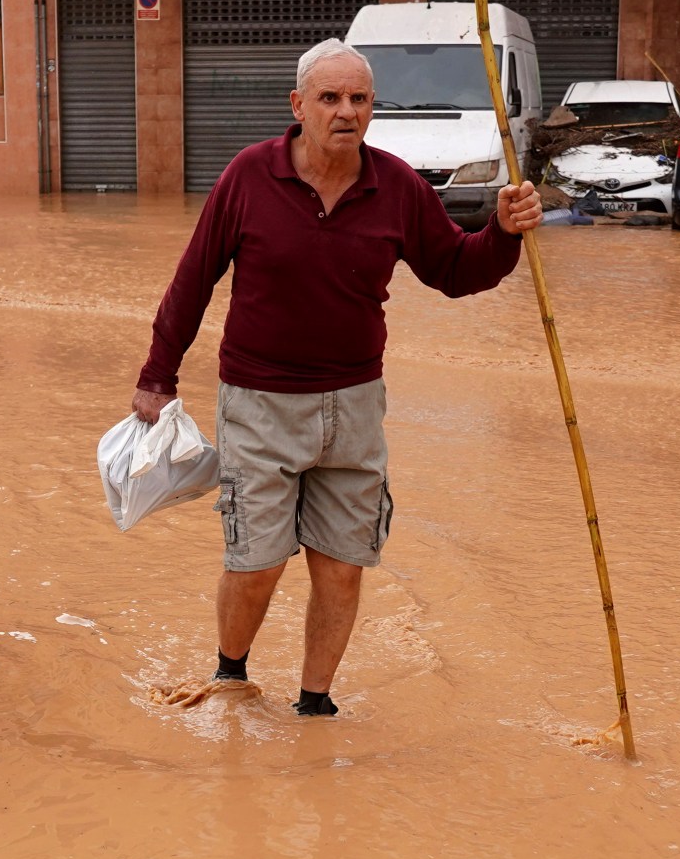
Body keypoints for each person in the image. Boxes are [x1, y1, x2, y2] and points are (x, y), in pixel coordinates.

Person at [130, 39, 542, 717]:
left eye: (358, 99)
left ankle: (314, 706)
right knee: (256, 562)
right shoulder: (247, 177)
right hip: (259, 405)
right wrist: (157, 376)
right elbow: (193, 280)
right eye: (330, 98)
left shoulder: (398, 186)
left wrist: (501, 232)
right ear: (298, 106)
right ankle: (231, 676)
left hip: (354, 408)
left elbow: (456, 272)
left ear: (373, 108)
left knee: (342, 566)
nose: (345, 111)